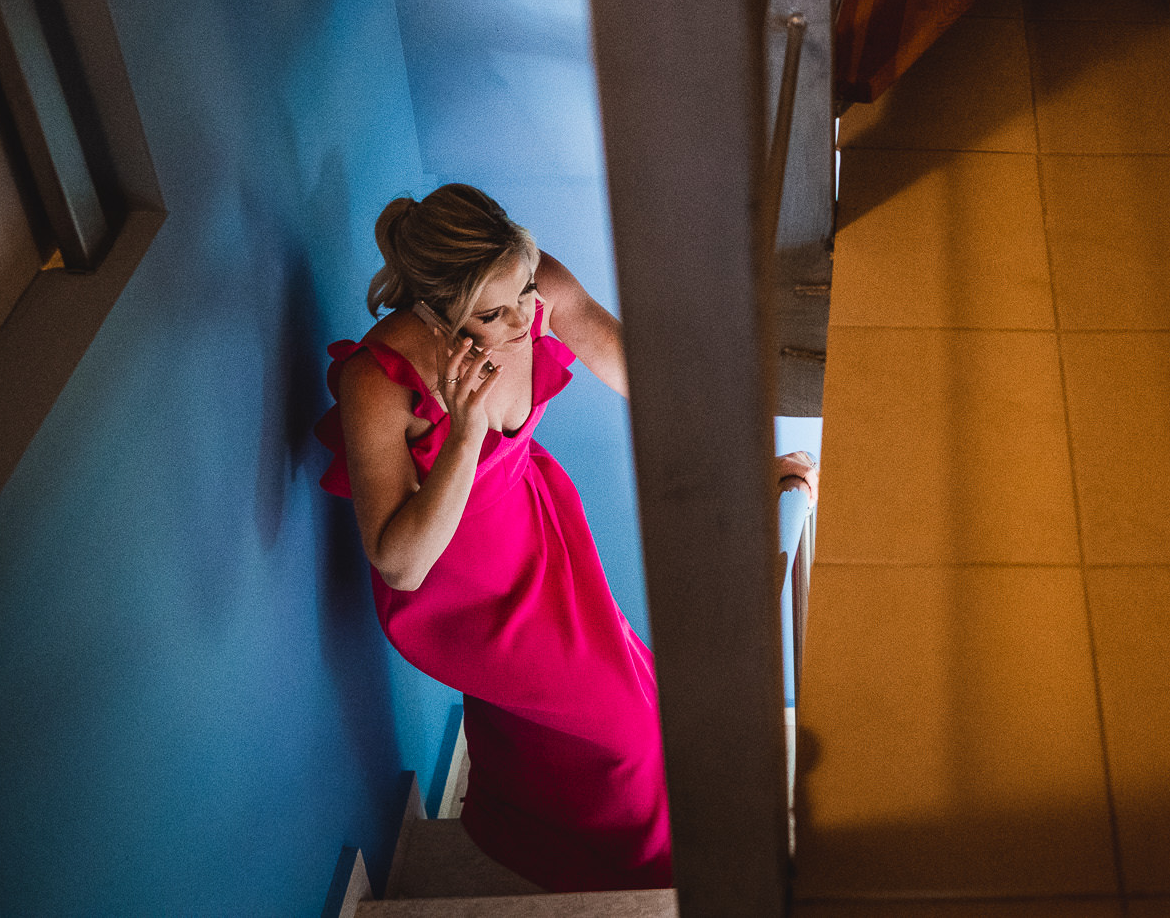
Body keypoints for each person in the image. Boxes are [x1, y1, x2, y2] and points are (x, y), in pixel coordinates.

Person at [314, 184, 816, 891]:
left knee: (603, 709)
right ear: (435, 307)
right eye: (495, 312)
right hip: (460, 590)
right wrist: (466, 432)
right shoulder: (378, 380)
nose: (525, 318)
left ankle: (535, 835)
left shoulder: (528, 284)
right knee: (633, 732)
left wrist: (746, 463)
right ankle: (667, 881)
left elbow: (644, 373)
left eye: (524, 290)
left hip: (537, 527)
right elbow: (401, 563)